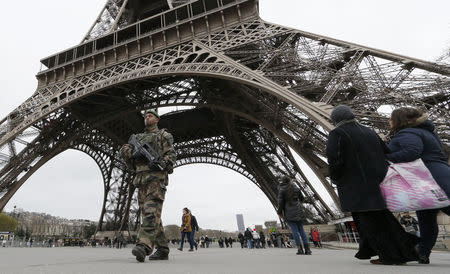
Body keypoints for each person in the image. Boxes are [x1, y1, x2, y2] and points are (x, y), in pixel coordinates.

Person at [326, 105, 419, 265]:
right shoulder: (369, 131)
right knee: (381, 218)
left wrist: (335, 177)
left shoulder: (337, 133)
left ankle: (390, 255)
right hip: (377, 182)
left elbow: (334, 159)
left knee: (368, 222)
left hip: (356, 185)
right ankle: (405, 248)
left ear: (336, 119)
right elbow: (386, 151)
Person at [385, 107, 450, 264]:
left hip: (429, 178)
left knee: (428, 219)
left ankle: (423, 250)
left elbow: (412, 151)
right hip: (437, 174)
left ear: (399, 120)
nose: (389, 121)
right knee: (426, 219)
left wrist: (386, 157)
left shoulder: (408, 133)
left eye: (391, 118)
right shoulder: (426, 132)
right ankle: (422, 251)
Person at [120, 109, 176, 262]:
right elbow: (127, 157)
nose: (147, 117)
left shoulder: (164, 136)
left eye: (150, 115)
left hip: (156, 180)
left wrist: (162, 163)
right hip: (141, 181)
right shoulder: (137, 137)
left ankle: (143, 246)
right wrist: (129, 153)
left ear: (157, 119)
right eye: (145, 116)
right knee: (150, 215)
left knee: (150, 213)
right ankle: (163, 249)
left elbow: (171, 156)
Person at [277, 176, 311, 255]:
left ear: (282, 181)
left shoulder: (282, 189)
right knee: (301, 230)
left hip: (289, 212)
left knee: (295, 230)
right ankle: (307, 250)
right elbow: (302, 199)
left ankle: (300, 250)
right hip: (298, 210)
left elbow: (280, 203)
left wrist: (279, 212)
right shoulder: (296, 188)